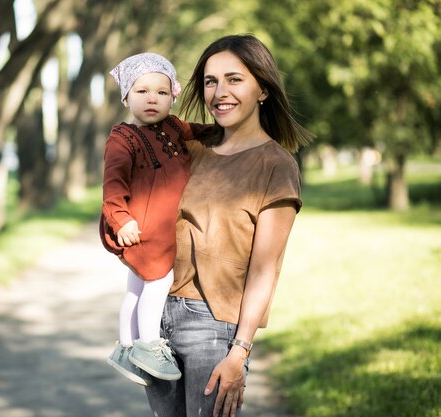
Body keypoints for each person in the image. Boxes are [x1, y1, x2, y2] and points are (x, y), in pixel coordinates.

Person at [144, 34, 314, 417]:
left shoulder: (276, 164)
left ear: (263, 89)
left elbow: (264, 268)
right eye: (210, 81)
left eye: (234, 79)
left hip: (213, 327)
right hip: (158, 318)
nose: (220, 92)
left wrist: (240, 350)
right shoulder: (192, 146)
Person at [99, 52, 208, 387]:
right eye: (142, 91)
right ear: (127, 97)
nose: (152, 98)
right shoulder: (123, 138)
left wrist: (224, 131)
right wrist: (122, 220)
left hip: (160, 225)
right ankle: (148, 345)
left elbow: (199, 130)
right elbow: (113, 185)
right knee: (158, 282)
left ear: (172, 97)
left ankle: (126, 346)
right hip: (141, 228)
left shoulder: (174, 127)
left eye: (161, 92)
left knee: (136, 287)